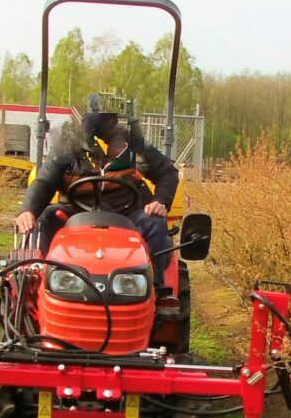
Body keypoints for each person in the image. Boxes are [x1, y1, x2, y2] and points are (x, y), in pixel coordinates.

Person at [15, 97, 179, 290]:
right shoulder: (68, 148)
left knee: (155, 223)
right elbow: (44, 181)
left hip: (126, 214)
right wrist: (28, 210)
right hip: (76, 213)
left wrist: (161, 201)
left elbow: (167, 172)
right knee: (44, 220)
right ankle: (33, 284)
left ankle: (155, 291)